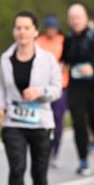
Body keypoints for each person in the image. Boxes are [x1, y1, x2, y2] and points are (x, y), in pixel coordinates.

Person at [0, 11, 63, 185]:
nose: (21, 32)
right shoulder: (6, 58)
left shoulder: (48, 59)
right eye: (18, 28)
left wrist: (38, 92)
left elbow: (56, 90)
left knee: (39, 173)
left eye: (26, 28)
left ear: (35, 32)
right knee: (17, 168)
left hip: (41, 122)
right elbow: (3, 89)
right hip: (13, 120)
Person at [60, 3, 94, 175]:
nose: (75, 21)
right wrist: (63, 65)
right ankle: (83, 161)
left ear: (85, 18)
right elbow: (65, 58)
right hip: (76, 87)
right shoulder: (68, 39)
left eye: (78, 18)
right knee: (78, 123)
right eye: (72, 18)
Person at [36, 15, 68, 167]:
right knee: (42, 121)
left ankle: (55, 152)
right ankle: (44, 152)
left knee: (57, 120)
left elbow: (70, 61)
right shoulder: (39, 42)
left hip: (61, 85)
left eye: (53, 28)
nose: (51, 31)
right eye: (48, 28)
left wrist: (63, 66)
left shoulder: (64, 41)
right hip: (43, 88)